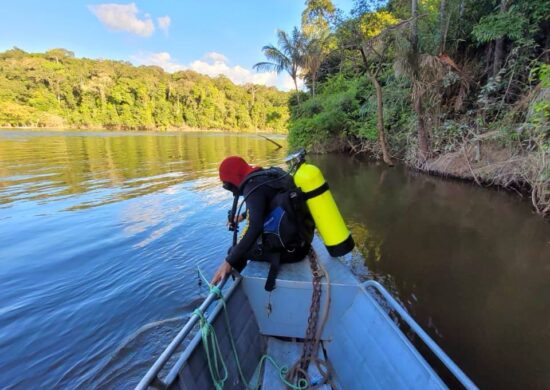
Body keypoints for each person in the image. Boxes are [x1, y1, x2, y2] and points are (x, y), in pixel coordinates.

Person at [211, 156, 313, 290]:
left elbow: (255, 228)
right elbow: (269, 204)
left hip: (293, 251)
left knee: (233, 251)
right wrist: (242, 216)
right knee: (237, 252)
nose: (230, 189)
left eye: (227, 185)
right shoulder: (265, 176)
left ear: (233, 179)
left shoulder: (252, 188)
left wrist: (228, 261)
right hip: (302, 238)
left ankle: (238, 289)